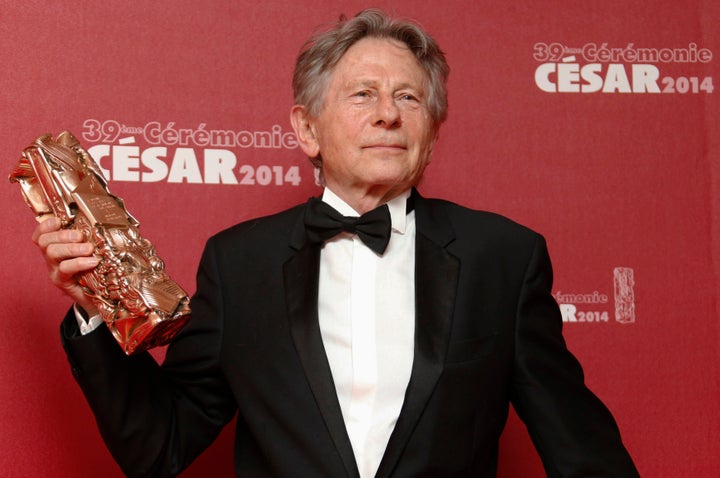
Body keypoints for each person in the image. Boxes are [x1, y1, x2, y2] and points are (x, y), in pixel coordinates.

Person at [32, 8, 639, 478]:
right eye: (362, 94)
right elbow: (158, 444)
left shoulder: (503, 257)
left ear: (432, 126)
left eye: (408, 96)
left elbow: (580, 448)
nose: (388, 114)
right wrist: (95, 306)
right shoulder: (239, 263)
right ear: (306, 129)